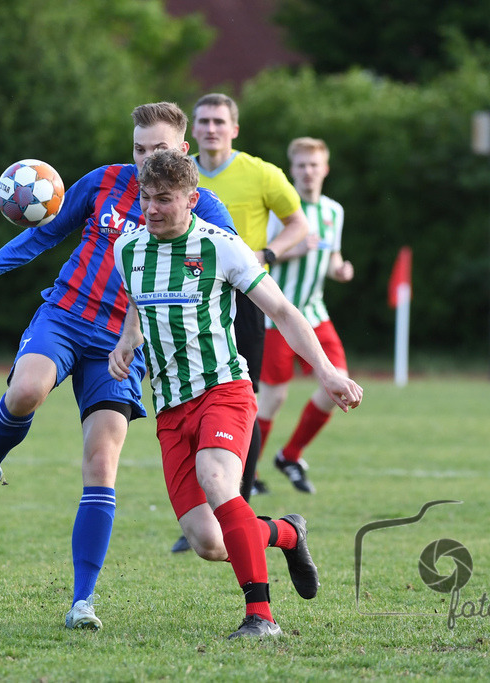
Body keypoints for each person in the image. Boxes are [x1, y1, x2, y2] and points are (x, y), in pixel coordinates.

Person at [0, 102, 235, 631]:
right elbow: (44, 233)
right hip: (65, 314)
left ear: (183, 150)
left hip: (125, 342)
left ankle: (83, 600)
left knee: (101, 464)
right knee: (24, 393)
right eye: (139, 149)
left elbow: (231, 271)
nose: (146, 159)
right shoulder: (104, 183)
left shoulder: (203, 208)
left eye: (159, 150)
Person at [109, 148, 363, 639]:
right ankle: (286, 532)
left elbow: (286, 313)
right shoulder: (128, 249)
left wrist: (328, 371)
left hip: (224, 389)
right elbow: (139, 309)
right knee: (208, 541)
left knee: (218, 478)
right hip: (169, 407)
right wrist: (126, 343)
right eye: (146, 198)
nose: (152, 208)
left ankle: (261, 618)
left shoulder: (221, 247)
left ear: (191, 199)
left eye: (165, 199)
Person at [169, 92, 311, 553]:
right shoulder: (175, 173)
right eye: (203, 121)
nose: (210, 129)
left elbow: (300, 228)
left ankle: (238, 507)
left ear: (235, 129)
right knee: (187, 398)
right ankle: (201, 516)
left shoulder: (262, 173)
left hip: (242, 295)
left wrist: (266, 254)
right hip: (185, 296)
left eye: (219, 121)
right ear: (192, 130)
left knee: (238, 398)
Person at [257, 137, 354, 494]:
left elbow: (331, 260)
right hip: (276, 316)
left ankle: (290, 454)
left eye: (314, 165)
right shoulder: (278, 211)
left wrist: (340, 270)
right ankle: (247, 472)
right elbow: (259, 257)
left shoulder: (333, 211)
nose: (308, 172)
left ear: (325, 169)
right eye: (301, 166)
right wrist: (292, 250)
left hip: (316, 313)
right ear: (291, 170)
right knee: (273, 398)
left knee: (338, 386)